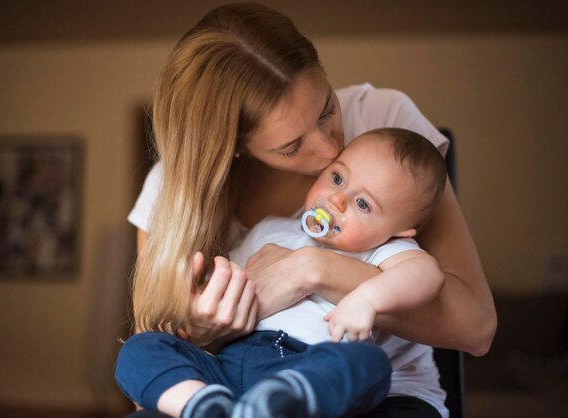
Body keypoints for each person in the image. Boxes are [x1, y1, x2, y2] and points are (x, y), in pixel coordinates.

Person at [124, 2, 496, 417]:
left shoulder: (384, 124)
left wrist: (310, 270)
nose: (331, 150)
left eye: (326, 111)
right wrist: (205, 333)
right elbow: (150, 387)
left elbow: (476, 328)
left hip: (370, 391)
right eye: (290, 146)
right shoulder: (174, 194)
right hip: (232, 384)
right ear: (233, 148)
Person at [116, 128, 449, 417]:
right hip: (229, 369)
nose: (337, 200)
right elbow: (228, 284)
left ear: (401, 230)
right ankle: (201, 405)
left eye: (363, 204)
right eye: (337, 178)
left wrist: (367, 300)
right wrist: (197, 302)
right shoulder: (269, 229)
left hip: (309, 365)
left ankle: (285, 402)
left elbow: (426, 275)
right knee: (142, 347)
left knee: (370, 365)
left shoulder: (381, 249)